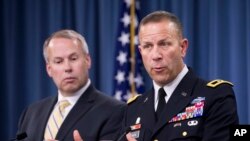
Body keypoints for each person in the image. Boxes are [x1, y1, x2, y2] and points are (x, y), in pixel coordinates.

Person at [121, 11, 239, 141]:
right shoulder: (133, 108)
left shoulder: (216, 97)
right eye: (148, 46)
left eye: (164, 44)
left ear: (182, 48)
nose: (156, 55)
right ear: (140, 51)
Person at [16, 29, 126, 141]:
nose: (67, 68)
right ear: (49, 69)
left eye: (73, 59)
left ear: (87, 60)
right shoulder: (31, 113)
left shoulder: (115, 111)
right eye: (58, 61)